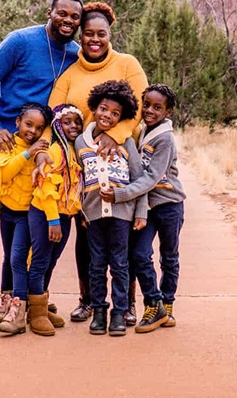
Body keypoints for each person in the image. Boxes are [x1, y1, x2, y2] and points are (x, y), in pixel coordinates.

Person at [0, 0, 83, 329]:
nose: (68, 21)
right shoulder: (21, 41)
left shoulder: (74, 54)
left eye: (75, 17)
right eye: (62, 13)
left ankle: (22, 296)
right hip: (8, 142)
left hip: (44, 149)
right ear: (49, 12)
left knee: (31, 223)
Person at [42, 2, 148, 323]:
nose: (95, 40)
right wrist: (50, 151)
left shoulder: (127, 64)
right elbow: (53, 115)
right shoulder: (69, 75)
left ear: (110, 33)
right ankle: (88, 300)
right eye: (88, 34)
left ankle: (127, 304)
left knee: (123, 239)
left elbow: (140, 107)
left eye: (101, 34)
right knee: (87, 237)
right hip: (83, 167)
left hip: (121, 162)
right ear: (80, 35)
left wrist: (115, 135)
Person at [102, 84, 185, 332]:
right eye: (146, 105)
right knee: (139, 254)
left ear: (168, 112)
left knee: (169, 257)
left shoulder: (165, 139)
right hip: (148, 206)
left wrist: (120, 195)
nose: (150, 110)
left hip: (169, 205)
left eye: (157, 107)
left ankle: (167, 305)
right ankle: (154, 303)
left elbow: (149, 178)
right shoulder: (140, 131)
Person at [76, 80, 148, 337]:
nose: (108, 115)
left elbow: (139, 178)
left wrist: (141, 211)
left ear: (122, 117)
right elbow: (79, 180)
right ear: (95, 108)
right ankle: (99, 312)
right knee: (96, 265)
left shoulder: (126, 142)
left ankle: (119, 311)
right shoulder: (81, 142)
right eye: (104, 109)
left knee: (119, 264)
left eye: (115, 113)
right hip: (93, 215)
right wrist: (82, 211)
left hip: (122, 215)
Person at [0, 103, 53, 336]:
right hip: (7, 209)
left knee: (18, 258)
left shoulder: (41, 151)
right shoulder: (7, 144)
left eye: (39, 128)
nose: (33, 131)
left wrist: (36, 151)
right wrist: (28, 152)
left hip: (27, 214)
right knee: (8, 257)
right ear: (17, 122)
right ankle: (7, 302)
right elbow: (5, 173)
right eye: (28, 124)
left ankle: (18, 313)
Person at [25, 104, 84, 336]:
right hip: (46, 214)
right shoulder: (56, 151)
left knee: (51, 261)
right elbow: (46, 185)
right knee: (40, 261)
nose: (73, 126)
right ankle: (36, 315)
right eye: (67, 122)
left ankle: (40, 304)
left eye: (77, 122)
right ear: (57, 125)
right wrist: (52, 221)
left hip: (65, 216)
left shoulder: (72, 150)